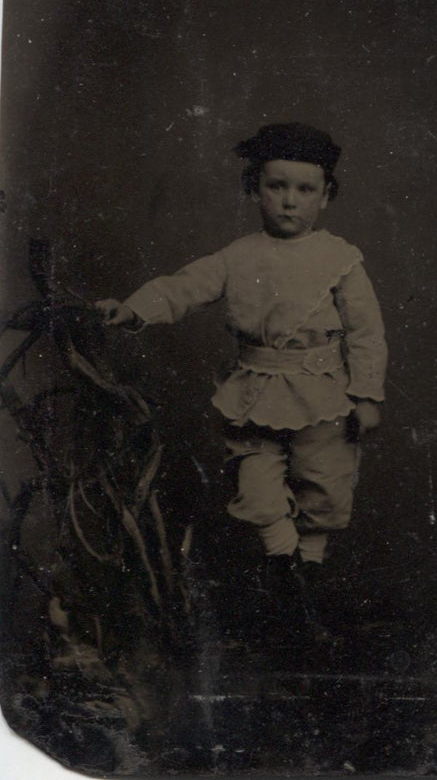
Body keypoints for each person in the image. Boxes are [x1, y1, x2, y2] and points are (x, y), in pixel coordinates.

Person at [97, 123, 387, 648]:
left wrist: (366, 394)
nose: (289, 202)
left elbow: (367, 333)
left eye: (304, 190)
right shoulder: (237, 256)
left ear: (326, 196)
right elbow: (184, 287)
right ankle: (285, 573)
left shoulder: (341, 260)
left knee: (323, 486)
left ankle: (305, 589)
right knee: (255, 487)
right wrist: (134, 307)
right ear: (254, 188)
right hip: (254, 392)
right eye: (276, 187)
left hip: (324, 395)